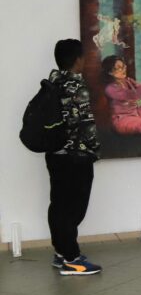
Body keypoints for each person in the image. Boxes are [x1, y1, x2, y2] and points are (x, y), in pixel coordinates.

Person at [46, 39, 103, 275]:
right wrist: (94, 150)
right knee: (74, 208)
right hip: (76, 156)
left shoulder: (53, 82)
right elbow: (86, 123)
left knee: (59, 204)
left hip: (55, 155)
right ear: (78, 59)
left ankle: (61, 252)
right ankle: (72, 259)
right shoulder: (76, 86)